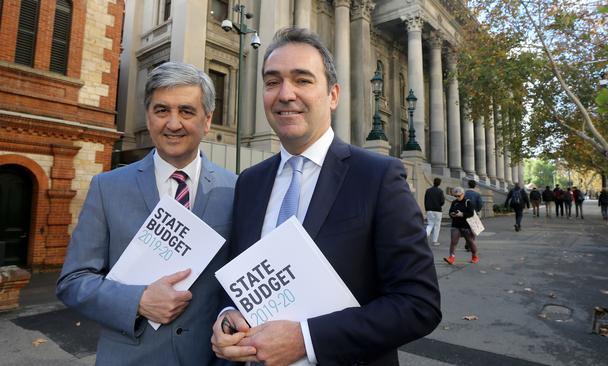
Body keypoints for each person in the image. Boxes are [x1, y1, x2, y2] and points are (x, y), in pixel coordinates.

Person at [211, 27, 441, 365]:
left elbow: (419, 303)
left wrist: (306, 339)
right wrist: (227, 315)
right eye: (272, 82)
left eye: (302, 80)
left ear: (333, 95)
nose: (285, 94)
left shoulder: (378, 177)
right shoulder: (250, 182)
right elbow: (238, 278)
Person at [56, 62, 237, 366]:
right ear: (148, 116)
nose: (173, 123)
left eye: (187, 111)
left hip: (208, 358)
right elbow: (73, 281)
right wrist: (137, 302)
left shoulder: (236, 190)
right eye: (162, 110)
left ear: (207, 121)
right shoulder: (107, 188)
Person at [443, 187, 479, 265]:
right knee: (453, 241)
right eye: (455, 196)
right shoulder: (454, 202)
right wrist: (452, 214)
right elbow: (450, 212)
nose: (457, 197)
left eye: (459, 196)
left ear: (463, 194)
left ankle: (474, 256)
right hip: (456, 225)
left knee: (470, 242)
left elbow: (471, 213)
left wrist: (462, 214)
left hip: (466, 226)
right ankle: (451, 258)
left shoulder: (468, 202)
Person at [463, 179, 483, 251]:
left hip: (465, 213)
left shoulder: (464, 193)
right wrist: (477, 210)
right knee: (473, 230)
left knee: (466, 229)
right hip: (474, 213)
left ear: (468, 185)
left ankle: (467, 242)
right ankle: (471, 243)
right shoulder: (477, 194)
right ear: (475, 186)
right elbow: (480, 204)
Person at [425, 177, 445, 246]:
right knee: (437, 226)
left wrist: (426, 209)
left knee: (430, 224)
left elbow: (425, 200)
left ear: (433, 182)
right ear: (439, 183)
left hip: (429, 210)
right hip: (437, 210)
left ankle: (425, 236)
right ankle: (435, 241)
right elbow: (442, 202)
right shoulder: (440, 191)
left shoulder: (428, 190)